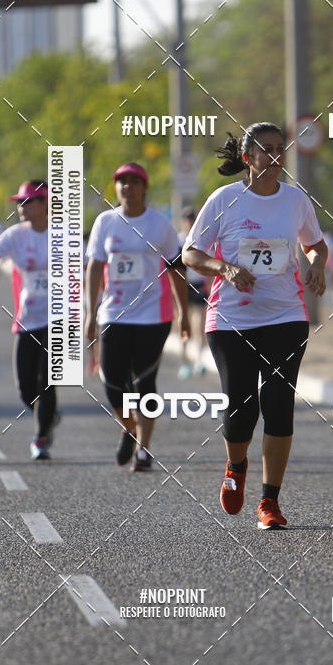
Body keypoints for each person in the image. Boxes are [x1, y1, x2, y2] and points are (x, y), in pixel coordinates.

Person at [182, 122, 327, 529]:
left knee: (279, 405)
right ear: (248, 158)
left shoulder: (295, 200)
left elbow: (314, 243)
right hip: (231, 320)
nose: (276, 156)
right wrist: (224, 268)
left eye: (282, 148)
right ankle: (236, 464)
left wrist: (317, 266)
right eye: (267, 149)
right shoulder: (225, 200)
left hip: (285, 316)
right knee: (240, 409)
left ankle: (270, 501)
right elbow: (190, 254)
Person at [85, 163, 190, 471]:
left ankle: (144, 449)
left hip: (154, 315)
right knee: (113, 380)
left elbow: (177, 268)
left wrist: (183, 313)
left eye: (134, 181)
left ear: (145, 187)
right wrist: (91, 313)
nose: (127, 187)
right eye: (121, 182)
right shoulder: (106, 221)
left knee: (144, 381)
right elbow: (94, 269)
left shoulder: (159, 224)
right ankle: (129, 427)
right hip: (114, 313)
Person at [0, 181, 58, 460]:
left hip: (58, 319)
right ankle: (46, 416)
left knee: (47, 380)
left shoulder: (64, 235)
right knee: (25, 386)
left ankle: (42, 436)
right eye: (20, 202)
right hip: (28, 319)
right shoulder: (16, 235)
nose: (21, 207)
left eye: (29, 201)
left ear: (46, 204)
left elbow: (88, 267)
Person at [177, 207, 210, 378]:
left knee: (199, 324)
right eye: (187, 219)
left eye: (192, 219)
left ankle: (198, 360)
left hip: (198, 284)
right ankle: (184, 361)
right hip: (182, 286)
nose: (189, 222)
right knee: (184, 323)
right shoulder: (177, 240)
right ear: (182, 221)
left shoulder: (201, 239)